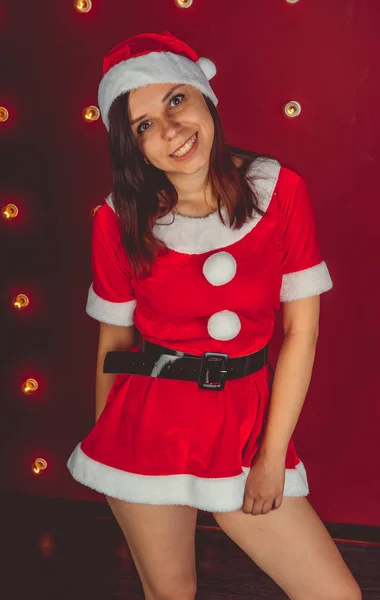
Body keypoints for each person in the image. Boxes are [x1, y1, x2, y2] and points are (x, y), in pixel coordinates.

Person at [67, 31, 361, 600]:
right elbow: (115, 338)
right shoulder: (117, 220)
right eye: (144, 124)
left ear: (205, 96)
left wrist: (272, 456)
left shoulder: (280, 192)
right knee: (171, 596)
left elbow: (302, 331)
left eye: (176, 100)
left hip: (245, 429)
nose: (171, 130)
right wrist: (107, 446)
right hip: (144, 429)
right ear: (135, 148)